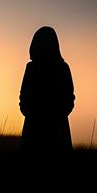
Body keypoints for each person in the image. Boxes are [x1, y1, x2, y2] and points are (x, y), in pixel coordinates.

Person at [19, 26, 75, 154]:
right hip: (35, 125)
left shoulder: (62, 68)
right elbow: (23, 96)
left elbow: (69, 98)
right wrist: (28, 112)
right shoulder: (32, 68)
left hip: (55, 127)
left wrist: (58, 115)